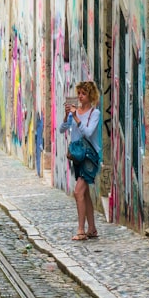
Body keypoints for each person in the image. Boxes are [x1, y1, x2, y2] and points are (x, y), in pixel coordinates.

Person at [58, 80, 102, 241]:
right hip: (78, 156)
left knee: (78, 192)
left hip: (89, 157)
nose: (80, 97)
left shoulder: (94, 113)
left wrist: (76, 118)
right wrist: (66, 115)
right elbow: (62, 129)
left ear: (90, 96)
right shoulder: (74, 113)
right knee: (85, 193)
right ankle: (92, 228)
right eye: (79, 93)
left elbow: (89, 133)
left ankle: (81, 230)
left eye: (84, 94)